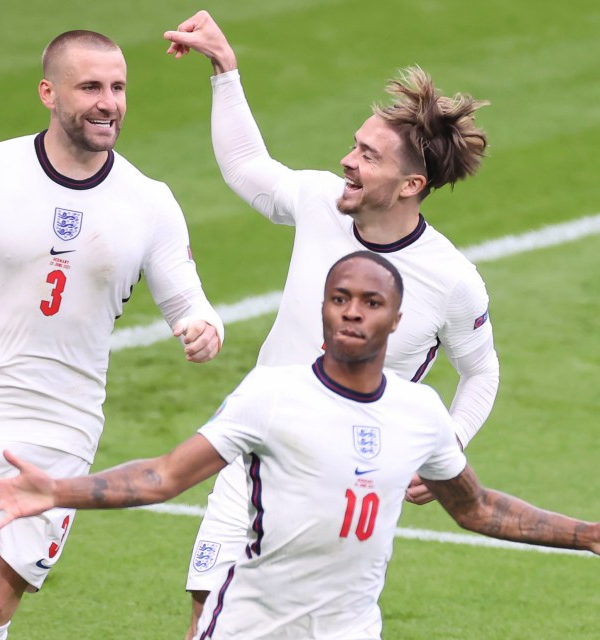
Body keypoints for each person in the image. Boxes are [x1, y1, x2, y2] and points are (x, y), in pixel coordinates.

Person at [0, 252, 600, 640]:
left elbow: (480, 509)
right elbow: (162, 476)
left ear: (397, 320)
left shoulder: (421, 412)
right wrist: (54, 490)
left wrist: (589, 535)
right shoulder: (272, 395)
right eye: (341, 298)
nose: (353, 313)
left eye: (371, 303)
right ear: (324, 307)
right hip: (249, 623)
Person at [163, 11, 500, 634]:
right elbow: (247, 168)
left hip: (342, 489)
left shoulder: (450, 280)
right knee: (207, 619)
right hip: (255, 456)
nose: (347, 160)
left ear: (410, 184)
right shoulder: (321, 202)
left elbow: (481, 371)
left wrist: (450, 441)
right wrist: (225, 69)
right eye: (355, 143)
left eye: (367, 156)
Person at [0, 29, 224, 640]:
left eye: (118, 88)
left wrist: (202, 327)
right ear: (49, 92)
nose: (108, 102)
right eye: (90, 86)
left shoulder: (149, 201)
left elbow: (189, 299)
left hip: (64, 428)